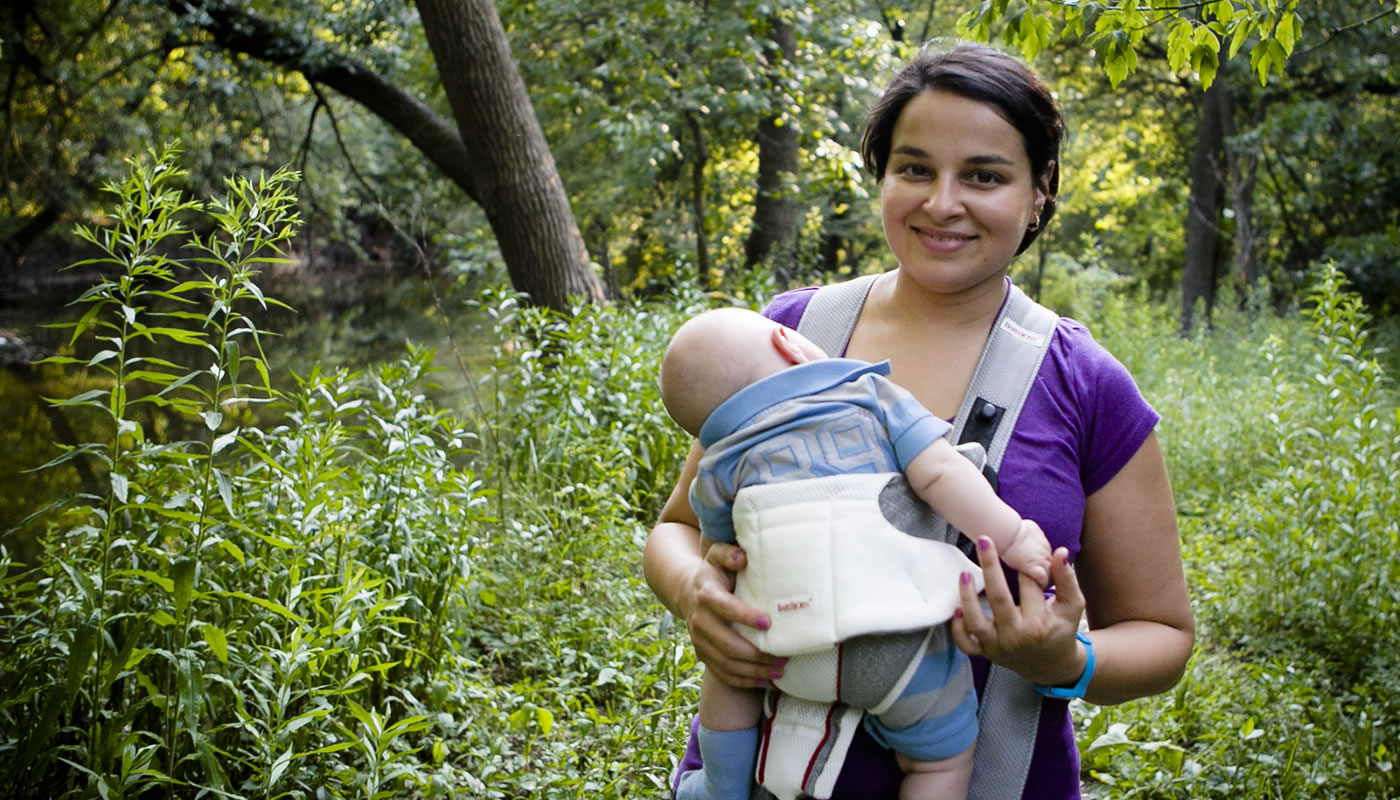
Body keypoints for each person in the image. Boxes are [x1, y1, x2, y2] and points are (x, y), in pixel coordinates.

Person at [644, 41, 1195, 800]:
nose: (942, 202)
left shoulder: (1086, 384)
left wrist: (1067, 663)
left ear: (1041, 191)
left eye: (984, 175)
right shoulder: (789, 336)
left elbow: (1164, 636)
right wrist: (694, 596)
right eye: (913, 169)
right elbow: (677, 528)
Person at [659, 306, 1053, 800]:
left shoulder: (718, 466)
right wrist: (1013, 538)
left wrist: (707, 588)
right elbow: (942, 475)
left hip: (780, 650)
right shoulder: (871, 397)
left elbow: (719, 556)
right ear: (790, 343)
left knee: (728, 671)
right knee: (942, 759)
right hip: (895, 647)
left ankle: (720, 786)